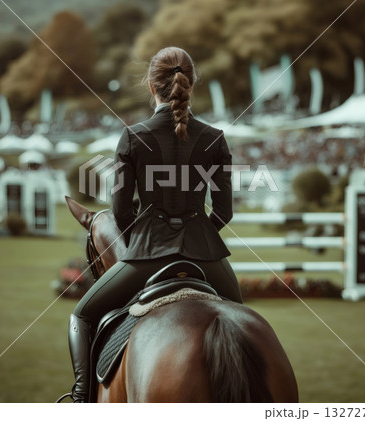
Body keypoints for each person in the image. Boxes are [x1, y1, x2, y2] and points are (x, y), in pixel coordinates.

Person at [68, 46, 243, 402]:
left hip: (147, 253)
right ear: (191, 83)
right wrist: (198, 235)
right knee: (240, 320)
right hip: (206, 256)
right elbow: (223, 212)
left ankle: (81, 398)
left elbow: (119, 213)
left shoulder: (132, 137)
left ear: (152, 86)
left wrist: (148, 238)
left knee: (82, 317)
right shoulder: (214, 138)